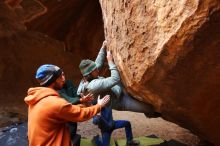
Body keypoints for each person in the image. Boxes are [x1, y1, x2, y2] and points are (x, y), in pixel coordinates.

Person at [24, 64, 110, 146]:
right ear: (53, 80)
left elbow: (68, 109)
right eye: (60, 76)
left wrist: (85, 104)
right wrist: (99, 106)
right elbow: (80, 113)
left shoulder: (37, 98)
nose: (63, 79)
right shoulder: (54, 103)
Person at [77, 41, 140, 146]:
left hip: (113, 124)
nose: (97, 69)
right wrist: (97, 112)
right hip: (106, 130)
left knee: (127, 123)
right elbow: (95, 121)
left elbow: (97, 64)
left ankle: (129, 141)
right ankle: (96, 140)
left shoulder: (101, 95)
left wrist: (102, 48)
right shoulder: (96, 102)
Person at [58, 79, 94, 146]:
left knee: (73, 131)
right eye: (60, 76)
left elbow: (75, 93)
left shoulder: (68, 82)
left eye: (63, 74)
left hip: (72, 113)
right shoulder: (57, 90)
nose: (62, 78)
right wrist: (80, 100)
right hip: (66, 116)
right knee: (69, 132)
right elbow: (68, 100)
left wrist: (81, 91)